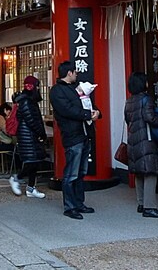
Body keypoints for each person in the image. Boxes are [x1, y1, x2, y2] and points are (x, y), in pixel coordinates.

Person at [49, 61, 100, 220]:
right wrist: (87, 114)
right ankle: (69, 207)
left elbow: (89, 103)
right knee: (71, 173)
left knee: (80, 172)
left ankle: (79, 203)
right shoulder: (57, 91)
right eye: (75, 72)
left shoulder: (78, 87)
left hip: (85, 134)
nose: (77, 74)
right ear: (69, 73)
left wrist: (97, 112)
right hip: (73, 135)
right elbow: (67, 110)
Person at [124, 72, 158, 217]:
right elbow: (149, 117)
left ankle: (141, 203)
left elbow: (129, 120)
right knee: (151, 172)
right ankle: (149, 207)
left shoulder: (129, 101)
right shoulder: (146, 99)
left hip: (134, 139)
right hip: (146, 139)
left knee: (140, 171)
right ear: (143, 84)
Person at [9, 76, 47, 198]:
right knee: (31, 162)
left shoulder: (25, 100)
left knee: (34, 162)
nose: (38, 88)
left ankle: (31, 188)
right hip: (28, 136)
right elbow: (32, 120)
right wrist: (41, 133)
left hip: (29, 135)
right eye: (37, 86)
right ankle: (16, 178)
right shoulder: (26, 101)